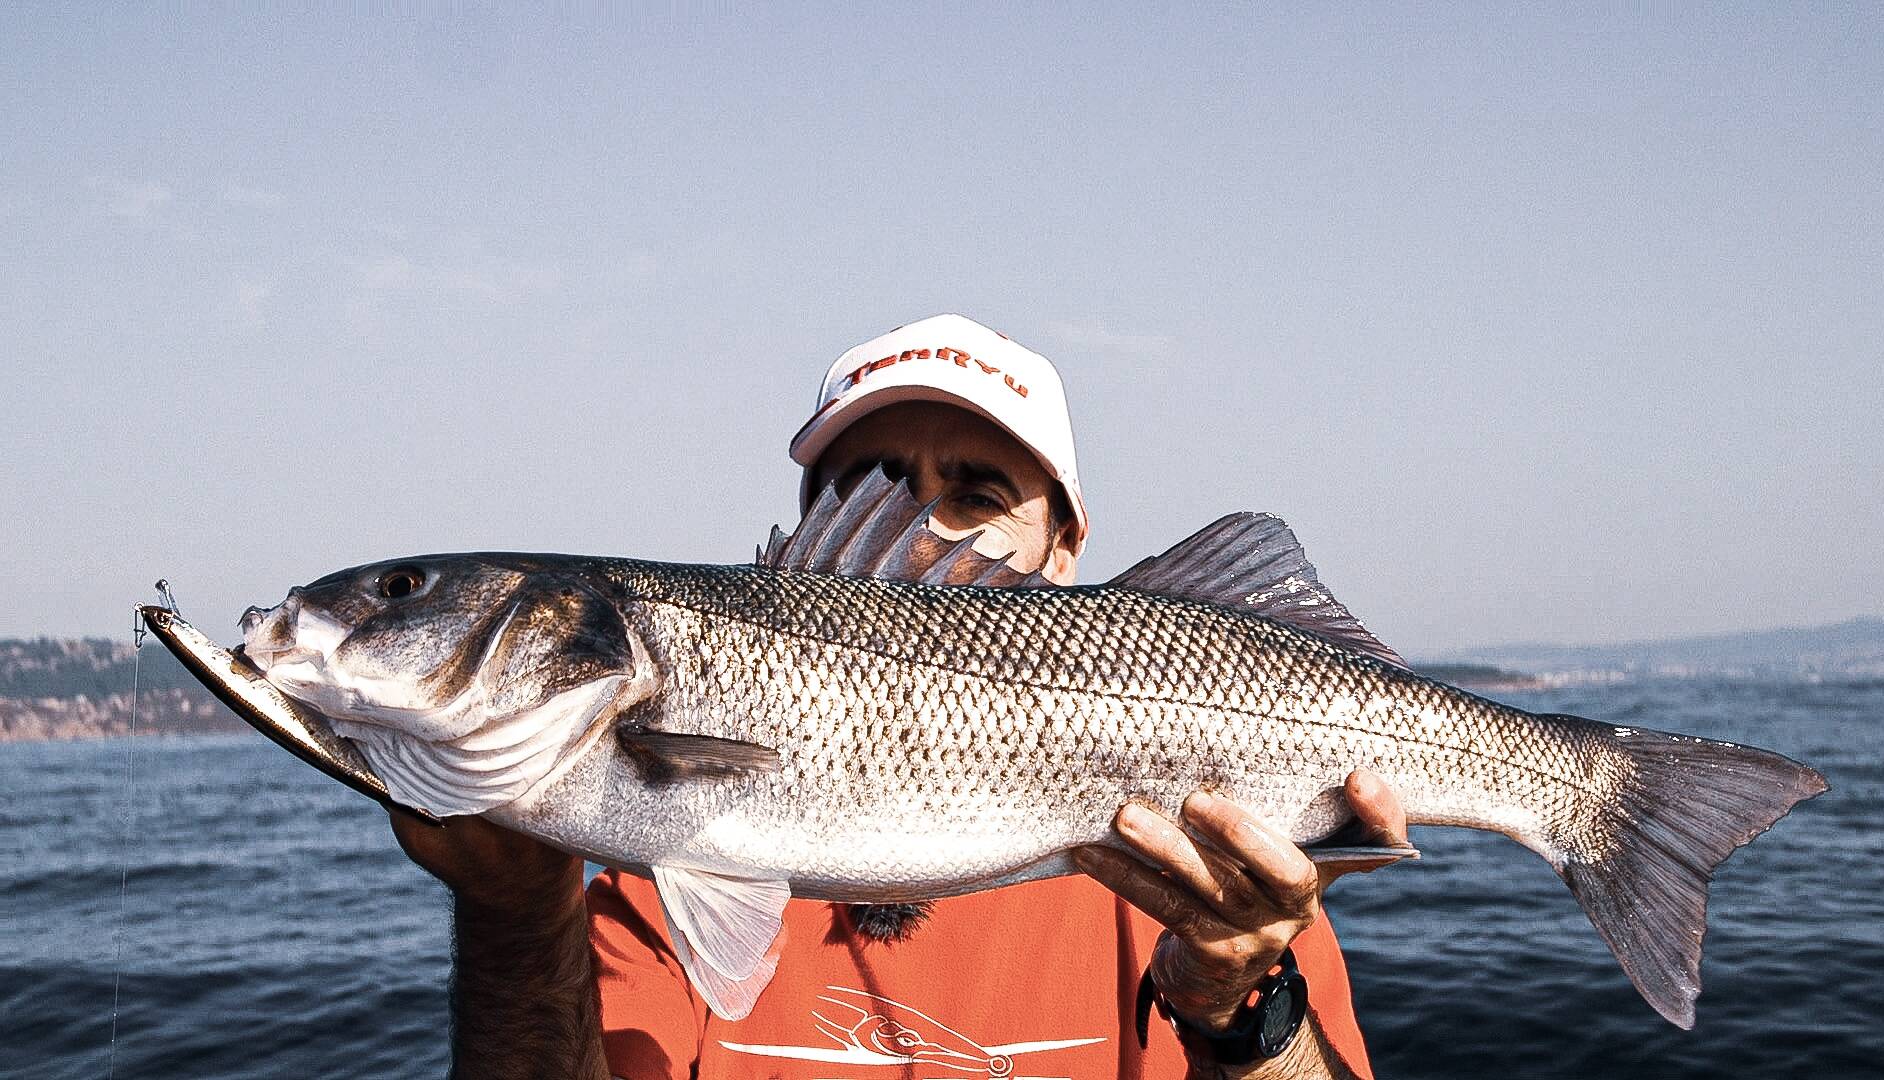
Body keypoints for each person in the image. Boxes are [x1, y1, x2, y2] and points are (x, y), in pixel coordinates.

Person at [392, 314, 1408, 1080]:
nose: (920, 537)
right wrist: (518, 918)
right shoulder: (663, 868)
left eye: (975, 499)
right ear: (798, 556)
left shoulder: (1217, 879)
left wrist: (1241, 1008)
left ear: (1067, 550)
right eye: (868, 496)